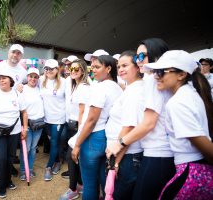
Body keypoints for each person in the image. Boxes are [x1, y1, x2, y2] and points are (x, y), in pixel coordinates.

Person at [110, 38, 176, 200]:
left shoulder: (153, 81)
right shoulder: (152, 81)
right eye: (137, 57)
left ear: (157, 56)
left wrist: (118, 145)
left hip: (158, 153)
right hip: (154, 152)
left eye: (142, 56)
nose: (139, 61)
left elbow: (148, 123)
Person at [143, 50, 213, 199]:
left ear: (181, 75)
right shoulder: (190, 93)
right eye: (155, 71)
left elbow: (203, 144)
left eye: (162, 71)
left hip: (191, 171)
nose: (156, 76)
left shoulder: (177, 103)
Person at [71, 55, 123, 199]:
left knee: (89, 185)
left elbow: (91, 120)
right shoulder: (118, 88)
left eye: (97, 67)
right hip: (105, 138)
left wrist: (77, 145)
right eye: (92, 67)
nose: (93, 70)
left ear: (108, 69)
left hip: (92, 137)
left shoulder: (100, 88)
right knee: (102, 181)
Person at [0, 67, 28, 198]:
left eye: (4, 78)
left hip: (14, 131)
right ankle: (0, 185)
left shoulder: (17, 94)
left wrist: (25, 128)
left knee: (10, 158)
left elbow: (24, 112)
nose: (1, 80)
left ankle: (8, 180)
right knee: (0, 158)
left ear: (11, 80)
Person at [105, 51, 144, 199]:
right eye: (119, 66)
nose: (120, 69)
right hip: (125, 154)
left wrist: (115, 162)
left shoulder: (134, 91)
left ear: (137, 67)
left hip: (127, 155)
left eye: (125, 65)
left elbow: (129, 128)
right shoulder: (131, 88)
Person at [60, 59, 90, 200]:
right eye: (71, 69)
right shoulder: (75, 85)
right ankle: (80, 184)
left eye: (76, 69)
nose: (73, 71)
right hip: (73, 125)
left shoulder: (83, 87)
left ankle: (73, 189)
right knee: (76, 157)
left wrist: (79, 132)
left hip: (79, 126)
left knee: (71, 157)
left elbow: (83, 112)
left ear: (83, 70)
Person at [40, 59, 66, 181]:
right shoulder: (41, 80)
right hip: (46, 119)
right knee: (51, 142)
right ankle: (57, 161)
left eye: (52, 69)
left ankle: (49, 167)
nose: (49, 71)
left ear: (57, 69)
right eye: (47, 69)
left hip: (58, 119)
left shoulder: (64, 82)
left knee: (55, 142)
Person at [19, 67, 44, 180]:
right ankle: (23, 170)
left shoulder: (40, 89)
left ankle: (30, 169)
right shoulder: (21, 89)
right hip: (27, 123)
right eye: (31, 76)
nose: (33, 79)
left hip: (39, 123)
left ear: (38, 78)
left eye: (35, 77)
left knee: (33, 148)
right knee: (26, 148)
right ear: (27, 77)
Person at [60, 55, 79, 179]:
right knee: (68, 144)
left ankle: (76, 175)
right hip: (68, 119)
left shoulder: (84, 82)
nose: (67, 67)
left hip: (77, 120)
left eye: (70, 65)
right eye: (66, 65)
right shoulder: (66, 80)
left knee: (74, 148)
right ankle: (73, 171)